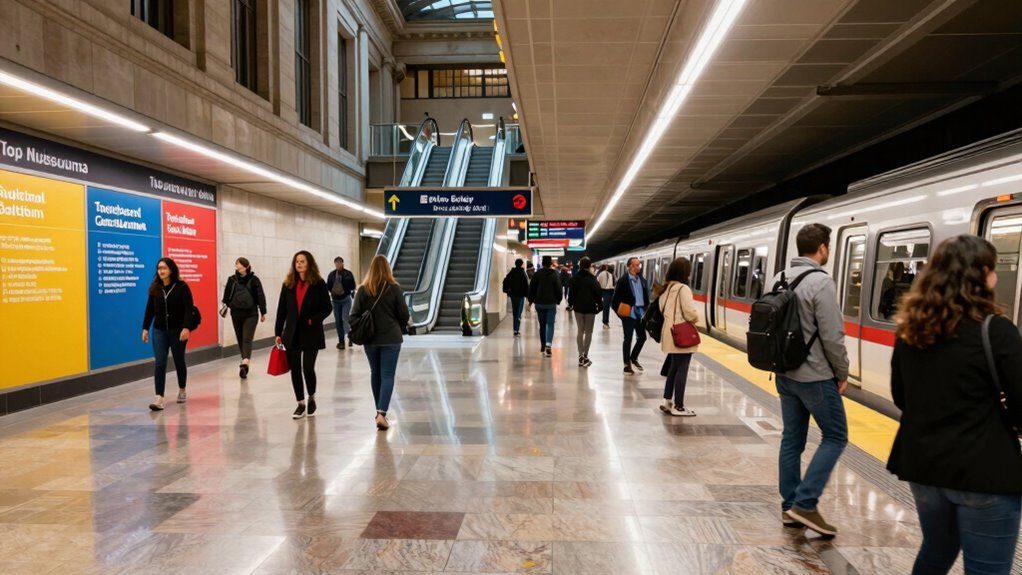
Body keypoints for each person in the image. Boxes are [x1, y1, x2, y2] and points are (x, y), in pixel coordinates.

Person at [888, 235, 1022, 575]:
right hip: (984, 471)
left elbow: (902, 397)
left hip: (925, 467)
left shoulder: (910, 331)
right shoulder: (996, 331)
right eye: (992, 270)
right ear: (981, 275)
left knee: (936, 552)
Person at [770, 223, 850, 537]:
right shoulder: (821, 282)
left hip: (784, 374)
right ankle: (805, 503)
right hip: (815, 376)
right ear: (822, 248)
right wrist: (842, 372)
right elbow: (832, 337)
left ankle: (789, 506)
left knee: (792, 439)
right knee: (836, 436)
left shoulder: (779, 278)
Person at [351, 256, 410, 430]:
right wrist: (397, 324)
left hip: (370, 339)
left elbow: (353, 316)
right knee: (388, 375)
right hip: (391, 338)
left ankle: (379, 412)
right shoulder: (394, 288)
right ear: (388, 269)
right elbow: (404, 315)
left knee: (375, 373)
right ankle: (381, 413)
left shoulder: (363, 290)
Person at [275, 251, 332, 420]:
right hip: (292, 333)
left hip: (311, 331)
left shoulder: (318, 283)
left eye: (302, 261)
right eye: (297, 261)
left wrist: (313, 320)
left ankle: (311, 396)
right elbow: (281, 310)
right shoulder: (288, 284)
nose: (299, 264)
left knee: (307, 367)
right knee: (295, 369)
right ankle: (300, 403)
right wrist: (278, 332)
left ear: (309, 264)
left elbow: (327, 307)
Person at [141, 257, 196, 411]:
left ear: (171, 270)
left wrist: (186, 328)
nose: (161, 271)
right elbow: (149, 310)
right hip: (159, 331)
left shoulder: (182, 287)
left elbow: (188, 309)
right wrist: (145, 328)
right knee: (160, 363)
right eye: (159, 268)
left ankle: (182, 389)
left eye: (164, 268)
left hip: (177, 331)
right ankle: (159, 398)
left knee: (179, 360)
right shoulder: (155, 288)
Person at [658, 257, 700, 416]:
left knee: (674, 368)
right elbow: (689, 313)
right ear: (685, 272)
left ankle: (667, 401)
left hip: (669, 333)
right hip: (681, 334)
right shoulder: (683, 289)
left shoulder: (666, 288)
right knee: (682, 369)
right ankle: (679, 406)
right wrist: (696, 317)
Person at [221, 257, 267, 379]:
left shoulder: (254, 280)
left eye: (240, 265)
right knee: (240, 338)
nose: (238, 267)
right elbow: (226, 297)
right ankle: (244, 362)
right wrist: (225, 307)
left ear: (246, 266)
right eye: (237, 265)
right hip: (236, 314)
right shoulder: (231, 279)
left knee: (246, 338)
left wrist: (263, 312)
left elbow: (260, 296)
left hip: (251, 314)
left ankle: (245, 361)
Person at [612, 257, 650, 375]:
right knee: (627, 338)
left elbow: (646, 296)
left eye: (638, 265)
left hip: (640, 314)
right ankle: (626, 364)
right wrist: (621, 315)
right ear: (629, 266)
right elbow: (615, 301)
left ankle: (633, 358)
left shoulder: (642, 280)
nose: (637, 267)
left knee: (642, 337)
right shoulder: (623, 281)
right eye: (635, 265)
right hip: (629, 314)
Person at [568, 257, 602, 368]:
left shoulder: (575, 278)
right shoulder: (593, 278)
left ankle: (580, 355)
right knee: (588, 332)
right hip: (590, 308)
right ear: (589, 266)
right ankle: (586, 355)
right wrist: (600, 305)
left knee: (580, 331)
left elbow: (571, 293)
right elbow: (598, 293)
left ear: (580, 266)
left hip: (578, 307)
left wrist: (570, 303)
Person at [528, 255, 562, 357]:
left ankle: (543, 344)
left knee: (542, 325)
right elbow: (558, 288)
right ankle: (548, 344)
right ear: (550, 263)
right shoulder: (555, 274)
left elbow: (532, 288)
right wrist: (559, 299)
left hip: (539, 303)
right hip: (551, 303)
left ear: (542, 263)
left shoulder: (537, 274)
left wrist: (531, 300)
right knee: (550, 324)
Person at [327, 256, 358, 349]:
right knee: (338, 321)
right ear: (335, 264)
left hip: (345, 300)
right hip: (335, 301)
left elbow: (352, 285)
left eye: (340, 263)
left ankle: (350, 336)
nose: (338, 265)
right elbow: (329, 286)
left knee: (345, 318)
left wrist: (343, 280)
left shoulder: (348, 274)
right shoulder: (332, 275)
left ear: (342, 263)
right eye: (336, 263)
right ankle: (341, 341)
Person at [502, 258, 530, 337]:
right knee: (519, 313)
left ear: (515, 264)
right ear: (521, 264)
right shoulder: (523, 273)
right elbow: (526, 285)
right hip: (521, 296)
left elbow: (505, 281)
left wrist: (507, 291)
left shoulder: (511, 272)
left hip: (513, 295)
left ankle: (515, 329)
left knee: (515, 312)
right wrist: (527, 295)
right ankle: (516, 329)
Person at [596, 264, 615, 328]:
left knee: (607, 306)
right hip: (607, 290)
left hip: (609, 290)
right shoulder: (604, 273)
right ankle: (605, 322)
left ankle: (605, 321)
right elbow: (600, 282)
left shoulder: (609, 274)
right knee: (606, 307)